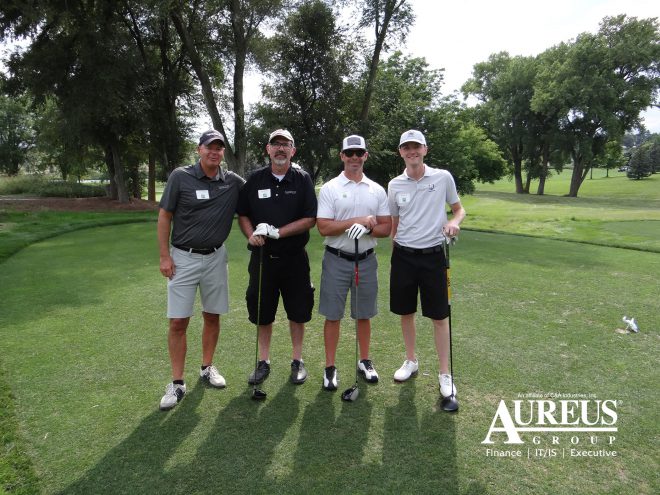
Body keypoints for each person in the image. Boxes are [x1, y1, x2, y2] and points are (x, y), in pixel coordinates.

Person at [157, 129, 245, 410]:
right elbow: (164, 216)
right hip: (183, 257)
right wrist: (164, 257)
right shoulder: (180, 177)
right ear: (199, 149)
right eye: (210, 147)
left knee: (212, 316)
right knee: (178, 321)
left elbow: (257, 189)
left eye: (219, 148)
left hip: (216, 258)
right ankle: (177, 382)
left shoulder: (231, 181)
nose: (215, 152)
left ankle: (207, 368)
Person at [387, 129, 466, 398]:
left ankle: (445, 373)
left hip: (434, 255)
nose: (412, 152)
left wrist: (453, 223)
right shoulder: (395, 184)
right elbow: (395, 222)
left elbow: (458, 209)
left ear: (425, 149)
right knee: (405, 312)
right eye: (407, 148)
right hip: (403, 256)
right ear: (401, 152)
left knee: (439, 316)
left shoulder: (442, 177)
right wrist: (393, 251)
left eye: (416, 147)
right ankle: (411, 360)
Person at [237, 129, 317, 385]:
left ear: (293, 151)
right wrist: (251, 235)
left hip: (294, 258)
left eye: (286, 145)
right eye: (276, 144)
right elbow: (244, 214)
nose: (280, 149)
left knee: (298, 311)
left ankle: (297, 360)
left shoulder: (302, 179)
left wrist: (278, 233)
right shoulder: (255, 179)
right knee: (263, 311)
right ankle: (263, 361)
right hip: (263, 258)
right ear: (267, 149)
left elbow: (309, 219)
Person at [316, 135, 391, 390]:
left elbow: (386, 228)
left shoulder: (377, 189)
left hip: (366, 260)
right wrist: (358, 220)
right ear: (342, 156)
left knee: (364, 315)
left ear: (366, 156)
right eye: (350, 153)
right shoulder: (330, 188)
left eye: (360, 153)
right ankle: (330, 367)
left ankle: (365, 360)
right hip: (336, 259)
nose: (355, 158)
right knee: (333, 316)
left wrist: (369, 229)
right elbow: (324, 227)